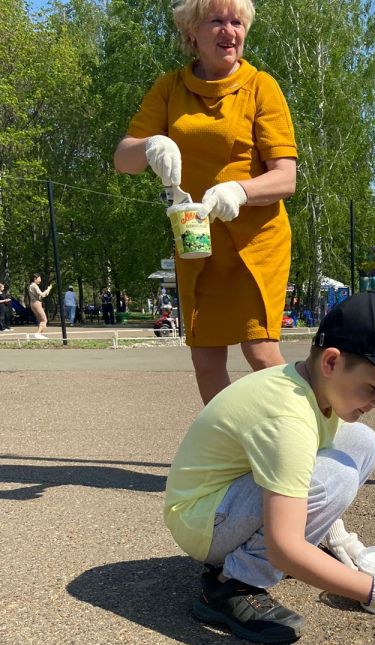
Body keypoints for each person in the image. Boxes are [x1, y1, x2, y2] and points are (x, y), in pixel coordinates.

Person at [164, 292, 375, 644]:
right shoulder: (289, 417)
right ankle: (232, 585)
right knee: (339, 475)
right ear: (331, 362)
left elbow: (309, 467)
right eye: (374, 387)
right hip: (202, 522)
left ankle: (264, 558)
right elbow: (285, 545)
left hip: (222, 503)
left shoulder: (309, 385)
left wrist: (335, 538)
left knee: (361, 441)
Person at [113, 0, 298, 405]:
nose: (229, 31)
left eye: (237, 22)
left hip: (256, 242)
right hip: (196, 238)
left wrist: (239, 190)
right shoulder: (169, 88)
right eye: (217, 21)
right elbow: (122, 159)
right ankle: (231, 451)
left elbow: (286, 177)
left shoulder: (261, 86)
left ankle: (305, 440)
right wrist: (150, 146)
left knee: (260, 351)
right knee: (205, 356)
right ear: (191, 32)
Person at [27, 273, 52, 339]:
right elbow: (42, 295)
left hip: (33, 303)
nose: (40, 280)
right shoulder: (34, 286)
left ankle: (40, 334)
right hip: (36, 303)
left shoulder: (31, 286)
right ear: (35, 279)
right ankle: (38, 334)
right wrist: (48, 289)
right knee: (44, 320)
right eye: (39, 279)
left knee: (40, 320)